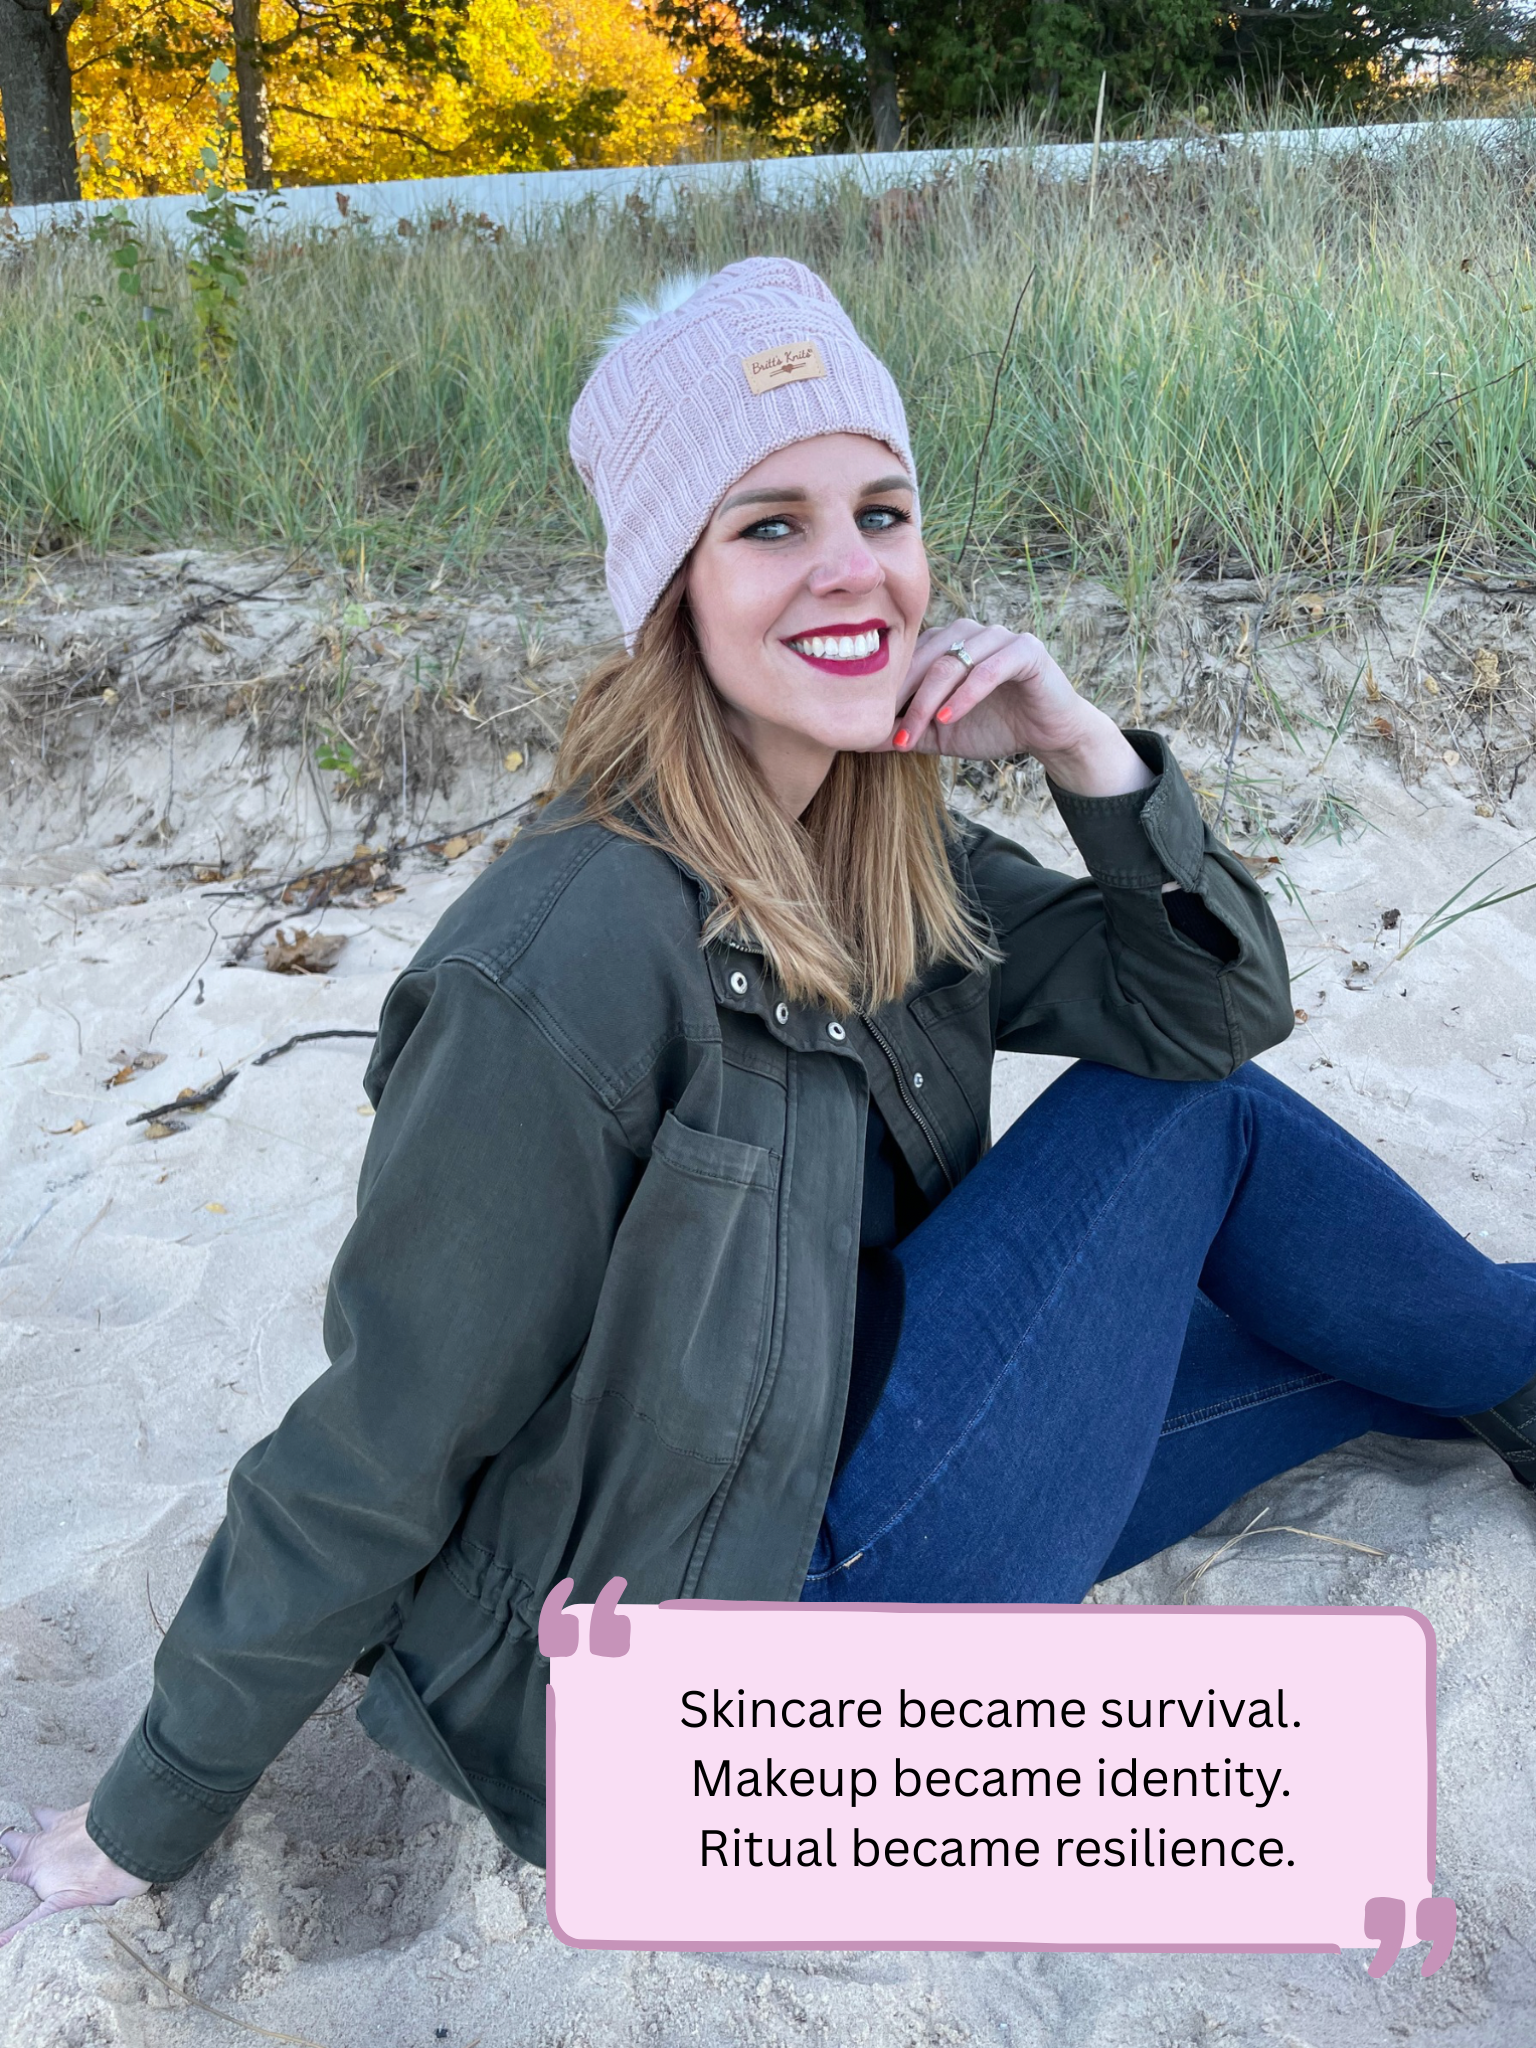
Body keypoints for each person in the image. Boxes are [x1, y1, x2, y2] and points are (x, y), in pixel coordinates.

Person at [5, 258, 1534, 1943]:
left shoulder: (887, 848)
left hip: (880, 1481)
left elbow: (1210, 1003)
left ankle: (1510, 1367)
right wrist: (148, 1813)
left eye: (882, 508)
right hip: (751, 1643)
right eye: (769, 525)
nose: (850, 566)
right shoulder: (568, 950)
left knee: (1361, 1337)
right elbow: (384, 1436)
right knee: (1195, 1134)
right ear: (671, 592)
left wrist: (1091, 752)